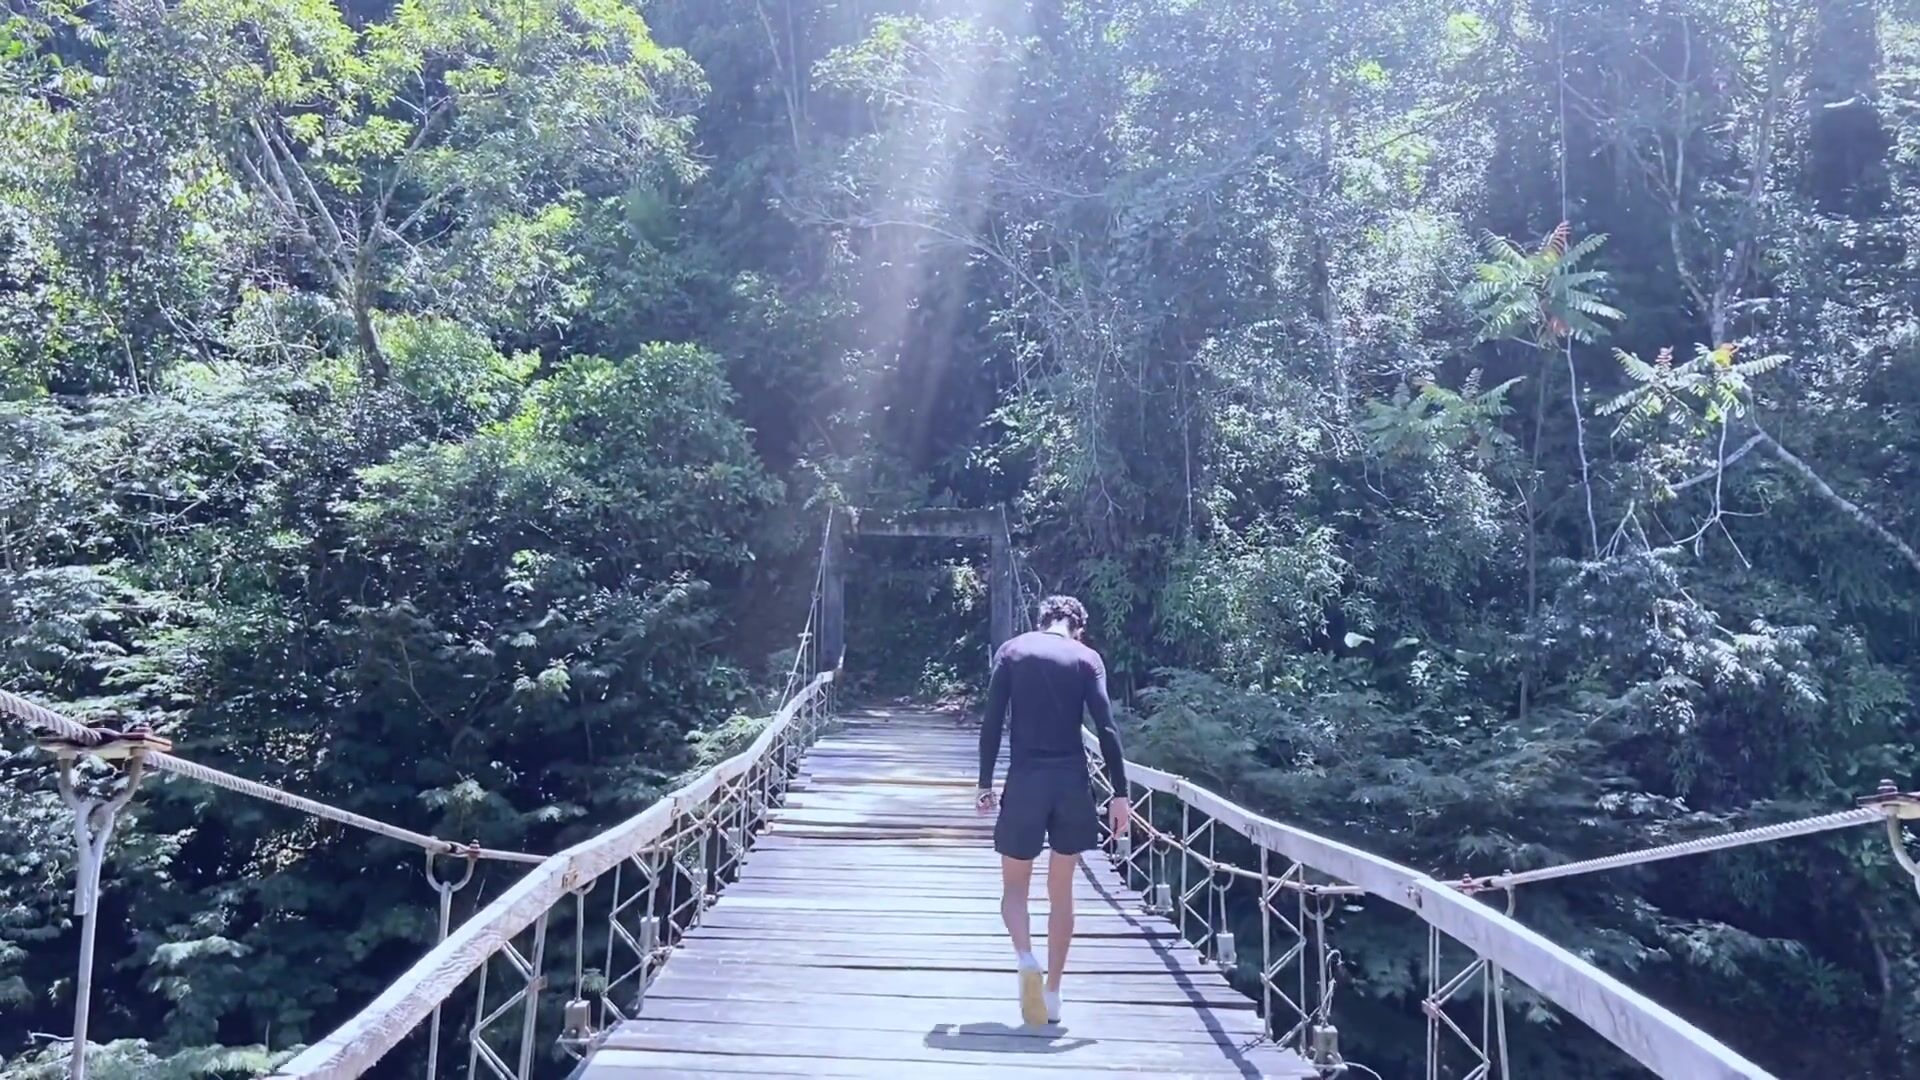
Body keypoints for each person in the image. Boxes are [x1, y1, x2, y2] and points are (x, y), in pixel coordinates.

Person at [975, 595, 1129, 1027]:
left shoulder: (1013, 652)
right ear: (1078, 628)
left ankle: (1026, 958)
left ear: (1042, 621)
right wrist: (1120, 793)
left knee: (1014, 888)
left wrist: (985, 784)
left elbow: (991, 723)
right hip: (1071, 786)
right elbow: (1107, 728)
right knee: (1061, 892)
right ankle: (1054, 993)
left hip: (1025, 781)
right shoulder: (1086, 658)